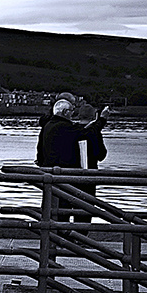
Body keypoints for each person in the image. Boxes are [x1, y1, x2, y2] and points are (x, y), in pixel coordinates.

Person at [36, 93, 109, 222]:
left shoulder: (47, 126)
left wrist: (42, 163)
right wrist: (101, 121)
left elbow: (39, 153)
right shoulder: (69, 128)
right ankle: (75, 237)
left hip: (53, 177)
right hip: (72, 176)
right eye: (71, 110)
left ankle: (57, 237)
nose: (73, 113)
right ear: (65, 112)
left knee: (55, 210)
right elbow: (94, 144)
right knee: (81, 211)